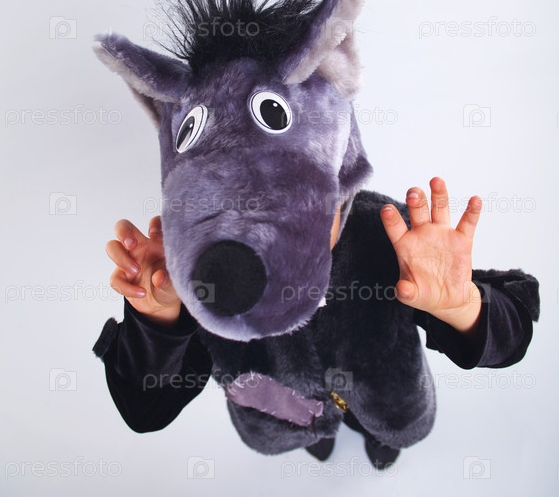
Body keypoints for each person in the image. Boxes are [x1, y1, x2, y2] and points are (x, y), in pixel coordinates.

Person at [93, 178, 539, 468]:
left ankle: (379, 437)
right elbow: (145, 409)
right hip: (279, 415)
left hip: (390, 399)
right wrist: (158, 319)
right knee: (306, 432)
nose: (291, 237)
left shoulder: (385, 234)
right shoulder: (204, 276)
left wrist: (459, 306)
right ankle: (313, 435)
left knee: (385, 430)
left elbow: (510, 338)